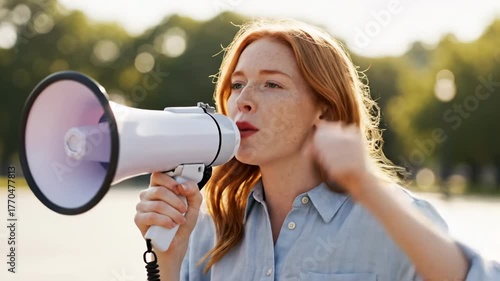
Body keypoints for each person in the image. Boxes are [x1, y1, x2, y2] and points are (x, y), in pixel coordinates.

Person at [134, 18, 500, 280]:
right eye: (238, 84)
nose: (242, 101)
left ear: (323, 107)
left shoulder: (395, 220)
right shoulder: (210, 224)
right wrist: (168, 262)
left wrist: (366, 186)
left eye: (272, 85)